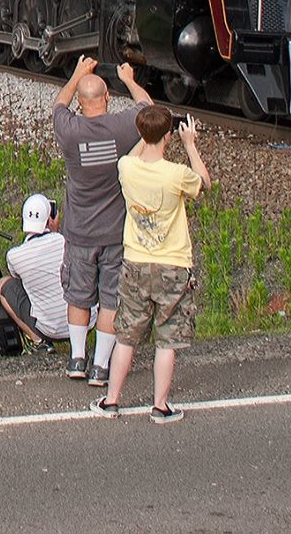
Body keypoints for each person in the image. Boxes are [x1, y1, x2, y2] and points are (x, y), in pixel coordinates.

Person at [93, 106, 212, 424]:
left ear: (142, 134)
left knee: (127, 336)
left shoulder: (126, 167)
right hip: (172, 264)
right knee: (167, 338)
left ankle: (111, 400)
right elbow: (205, 182)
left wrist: (145, 138)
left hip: (135, 262)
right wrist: (190, 145)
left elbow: (134, 155)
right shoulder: (176, 174)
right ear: (169, 136)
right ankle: (160, 406)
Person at [53, 54, 154, 385]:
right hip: (114, 231)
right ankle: (100, 367)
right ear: (107, 97)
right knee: (110, 298)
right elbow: (148, 107)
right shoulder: (122, 128)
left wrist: (78, 73)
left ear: (81, 104)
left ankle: (77, 359)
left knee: (78, 295)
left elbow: (59, 103)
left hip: (80, 231)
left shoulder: (69, 131)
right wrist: (128, 79)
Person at [0, 193, 69, 346]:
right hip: (82, 322)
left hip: (47, 329)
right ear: (49, 219)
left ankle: (38, 341)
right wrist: (55, 231)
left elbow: (18, 279)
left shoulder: (14, 255)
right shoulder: (64, 241)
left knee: (3, 285)